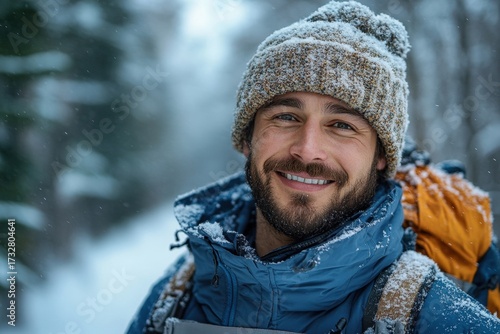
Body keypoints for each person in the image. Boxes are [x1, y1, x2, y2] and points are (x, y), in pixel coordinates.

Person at [127, 1, 500, 333]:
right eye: (286, 117)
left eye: (342, 126)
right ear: (246, 138)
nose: (307, 151)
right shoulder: (176, 295)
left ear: (381, 157)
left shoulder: (436, 318)